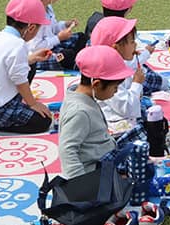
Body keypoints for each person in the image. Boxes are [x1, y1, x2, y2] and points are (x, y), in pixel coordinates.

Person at [0, 0, 54, 134]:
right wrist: (32, 104)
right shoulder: (18, 45)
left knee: (31, 63)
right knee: (43, 121)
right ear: (31, 28)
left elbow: (6, 65)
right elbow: (19, 79)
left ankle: (1, 115)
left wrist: (32, 58)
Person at [58, 44, 135, 179]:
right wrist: (83, 186)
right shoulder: (79, 112)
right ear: (97, 84)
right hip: (93, 172)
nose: (116, 91)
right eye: (115, 87)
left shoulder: (83, 96)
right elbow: (67, 150)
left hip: (104, 158)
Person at [26, 0, 82, 70]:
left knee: (80, 37)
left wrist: (65, 24)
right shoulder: (35, 16)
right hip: (38, 56)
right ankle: (75, 63)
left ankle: (77, 57)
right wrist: (58, 38)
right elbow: (36, 47)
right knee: (65, 56)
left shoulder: (47, 7)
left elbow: (53, 27)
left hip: (52, 44)